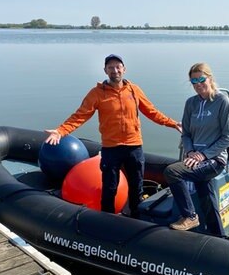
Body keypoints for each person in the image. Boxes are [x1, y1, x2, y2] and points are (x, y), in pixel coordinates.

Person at [45, 54, 181, 216]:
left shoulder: (134, 90)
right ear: (105, 71)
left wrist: (173, 123)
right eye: (110, 68)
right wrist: (61, 131)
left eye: (118, 67)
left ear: (124, 69)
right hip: (111, 148)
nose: (115, 70)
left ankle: (136, 217)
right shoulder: (97, 93)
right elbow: (80, 116)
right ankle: (107, 220)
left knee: (136, 186)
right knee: (110, 187)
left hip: (134, 147)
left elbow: (152, 112)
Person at [164, 62, 229, 234]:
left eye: (201, 79)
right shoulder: (191, 103)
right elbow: (186, 133)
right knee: (206, 196)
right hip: (193, 157)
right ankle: (218, 235)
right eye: (193, 81)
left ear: (210, 79)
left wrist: (203, 155)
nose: (198, 84)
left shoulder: (221, 101)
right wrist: (189, 152)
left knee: (172, 171)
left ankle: (190, 216)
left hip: (214, 159)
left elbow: (228, 137)